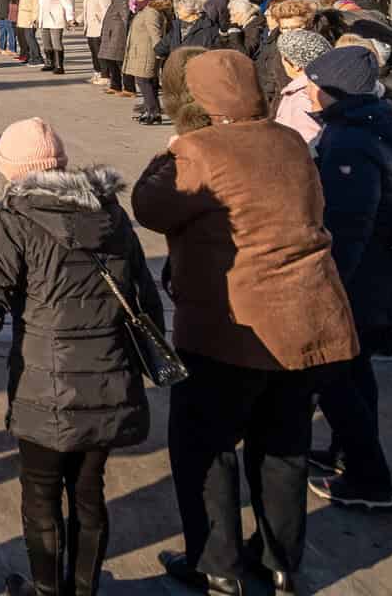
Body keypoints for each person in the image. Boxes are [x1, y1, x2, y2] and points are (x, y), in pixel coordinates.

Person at [0, 118, 162, 596]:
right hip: (110, 379)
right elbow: (143, 295)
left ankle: (46, 590)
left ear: (15, 170)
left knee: (41, 494)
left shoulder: (17, 220)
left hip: (46, 388)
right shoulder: (111, 213)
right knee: (89, 494)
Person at [132, 51, 359, 595]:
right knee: (283, 445)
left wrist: (170, 150)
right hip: (308, 319)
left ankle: (217, 564)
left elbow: (149, 206)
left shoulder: (199, 150)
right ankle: (280, 562)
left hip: (232, 327)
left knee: (205, 445)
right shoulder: (290, 140)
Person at [302, 46, 392, 512]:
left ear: (336, 91)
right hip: (379, 277)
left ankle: (371, 480)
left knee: (334, 378)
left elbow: (349, 226)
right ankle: (345, 453)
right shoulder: (374, 125)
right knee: (355, 373)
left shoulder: (352, 141)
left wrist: (326, 290)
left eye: (314, 83)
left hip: (359, 283)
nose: (306, 89)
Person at [269, 29, 331, 145]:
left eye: (283, 57)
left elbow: (310, 143)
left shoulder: (303, 98)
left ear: (295, 65)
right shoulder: (324, 87)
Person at [123, 0, 172, 126]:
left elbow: (155, 33)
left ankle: (153, 113)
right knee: (148, 82)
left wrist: (159, 50)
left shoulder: (150, 11)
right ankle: (150, 110)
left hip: (147, 52)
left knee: (144, 81)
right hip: (141, 51)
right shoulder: (145, 9)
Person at [95, 0, 134, 96]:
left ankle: (129, 89)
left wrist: (127, 34)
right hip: (111, 34)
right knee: (111, 61)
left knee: (121, 62)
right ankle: (115, 86)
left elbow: (126, 18)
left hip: (119, 35)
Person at [35, 0, 75, 74]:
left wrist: (70, 18)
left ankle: (59, 65)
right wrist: (38, 18)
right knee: (46, 43)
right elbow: (41, 5)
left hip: (56, 20)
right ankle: (49, 63)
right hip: (45, 20)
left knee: (56, 43)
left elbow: (67, 4)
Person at [81, 0, 111, 82]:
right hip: (90, 27)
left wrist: (104, 26)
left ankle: (105, 76)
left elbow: (106, 10)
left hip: (99, 28)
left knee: (100, 53)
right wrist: (78, 20)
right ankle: (97, 72)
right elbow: (87, 9)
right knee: (94, 53)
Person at [13, 0, 44, 65]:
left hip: (30, 16)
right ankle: (31, 57)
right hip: (24, 15)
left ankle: (38, 58)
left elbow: (37, 3)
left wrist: (35, 18)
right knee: (27, 38)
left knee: (30, 37)